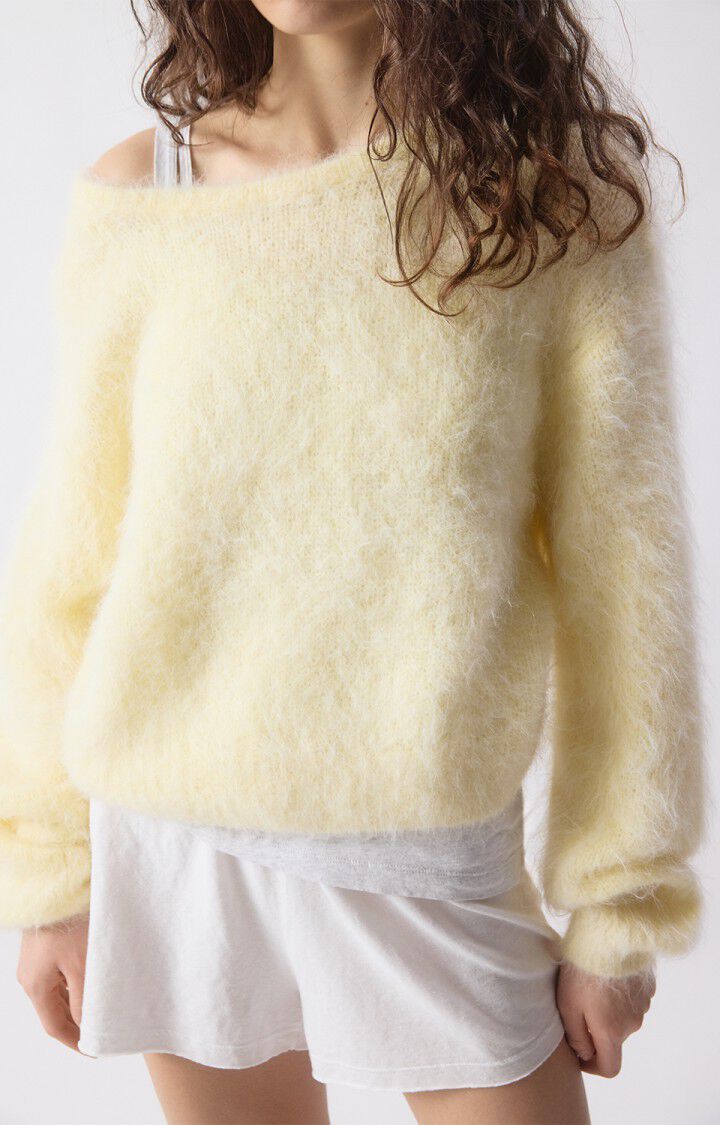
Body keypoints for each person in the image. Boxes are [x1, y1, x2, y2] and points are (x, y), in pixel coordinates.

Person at [0, 1, 707, 1122]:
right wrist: (46, 870)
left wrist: (621, 902)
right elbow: (68, 555)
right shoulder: (148, 193)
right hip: (176, 850)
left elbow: (625, 572)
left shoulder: (548, 204)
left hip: (429, 851)